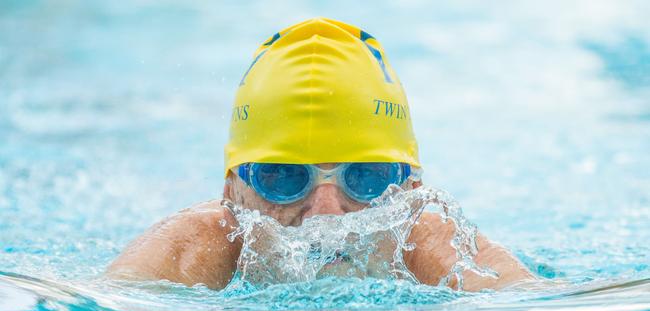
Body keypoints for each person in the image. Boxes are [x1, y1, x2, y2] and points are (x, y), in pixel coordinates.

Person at [107, 17, 534, 291]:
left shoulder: (435, 248)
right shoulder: (199, 244)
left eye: (367, 178)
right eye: (282, 178)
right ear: (232, 192)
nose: (326, 215)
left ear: (412, 192)